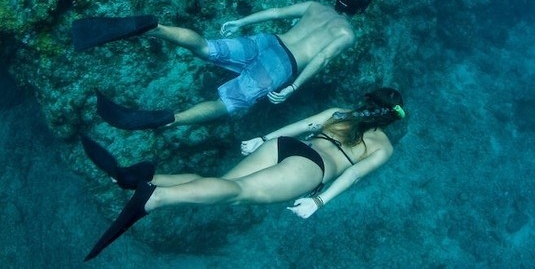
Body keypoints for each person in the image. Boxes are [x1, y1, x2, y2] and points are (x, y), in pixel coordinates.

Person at [81, 87, 405, 261]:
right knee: (234, 194)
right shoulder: (383, 146)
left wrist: (264, 138)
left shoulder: (341, 112)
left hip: (286, 145)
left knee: (224, 185)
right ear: (391, 120)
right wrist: (319, 201)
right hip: (310, 170)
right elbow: (353, 176)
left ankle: (140, 179)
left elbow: (305, 125)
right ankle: (155, 198)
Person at [73, 0, 377, 130]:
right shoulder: (346, 34)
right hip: (283, 66)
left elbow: (275, 13)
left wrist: (241, 22)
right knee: (227, 103)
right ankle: (170, 120)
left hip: (266, 40)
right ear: (359, 12)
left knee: (205, 47)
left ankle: (155, 28)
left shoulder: (314, 5)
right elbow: (322, 59)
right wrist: (292, 89)